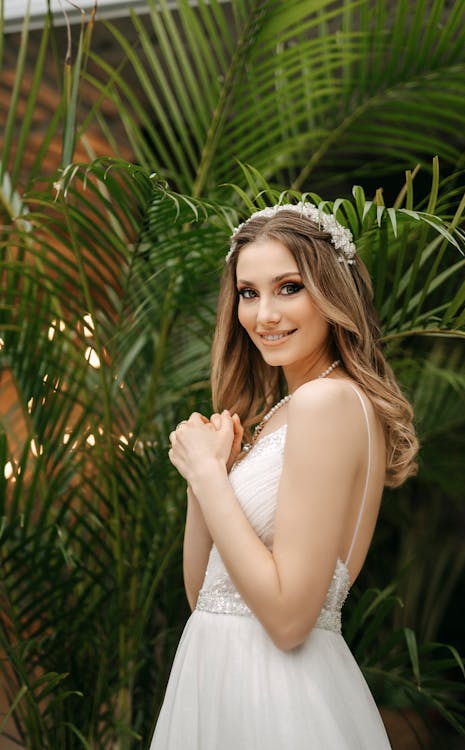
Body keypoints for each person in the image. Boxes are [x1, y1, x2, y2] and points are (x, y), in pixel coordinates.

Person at [149, 201, 418, 749]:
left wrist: (206, 476)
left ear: (331, 291)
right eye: (249, 293)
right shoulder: (283, 412)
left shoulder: (327, 403)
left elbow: (291, 617)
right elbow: (205, 596)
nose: (264, 314)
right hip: (220, 682)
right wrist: (210, 478)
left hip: (274, 697)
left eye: (288, 287)